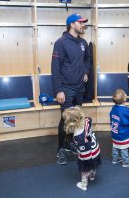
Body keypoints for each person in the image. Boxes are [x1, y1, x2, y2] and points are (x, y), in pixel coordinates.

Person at [51, 13, 91, 165]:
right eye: (81, 23)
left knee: (77, 118)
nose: (83, 25)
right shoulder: (60, 43)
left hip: (80, 88)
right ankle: (61, 148)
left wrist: (86, 72)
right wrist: (58, 90)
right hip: (66, 89)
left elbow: (87, 59)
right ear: (72, 24)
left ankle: (70, 143)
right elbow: (55, 68)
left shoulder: (83, 43)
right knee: (65, 119)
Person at [62, 106, 101, 191]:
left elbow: (85, 150)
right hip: (95, 149)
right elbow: (89, 119)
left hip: (87, 154)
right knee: (94, 165)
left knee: (85, 170)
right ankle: (92, 175)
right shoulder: (86, 121)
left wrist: (86, 162)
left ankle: (84, 184)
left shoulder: (78, 136)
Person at [110, 89, 129, 167]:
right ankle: (125, 162)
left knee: (115, 145)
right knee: (123, 148)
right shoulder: (125, 110)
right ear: (124, 99)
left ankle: (115, 159)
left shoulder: (114, 108)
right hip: (123, 133)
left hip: (114, 132)